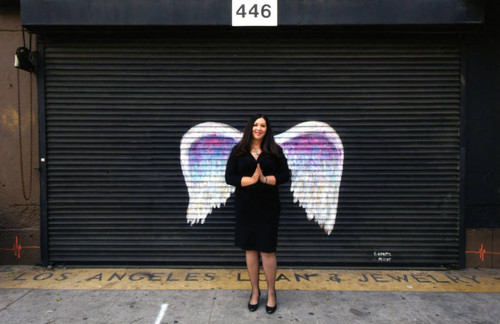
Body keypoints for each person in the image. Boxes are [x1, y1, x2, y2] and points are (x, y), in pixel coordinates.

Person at [225, 114, 290, 314]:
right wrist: (250, 181)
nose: (258, 128)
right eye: (255, 124)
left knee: (267, 250)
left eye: (262, 125)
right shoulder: (238, 151)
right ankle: (255, 291)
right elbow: (229, 177)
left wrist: (265, 179)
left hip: (268, 206)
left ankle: (271, 292)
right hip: (246, 206)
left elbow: (285, 175)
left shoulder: (274, 151)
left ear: (267, 129)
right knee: (250, 249)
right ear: (249, 127)